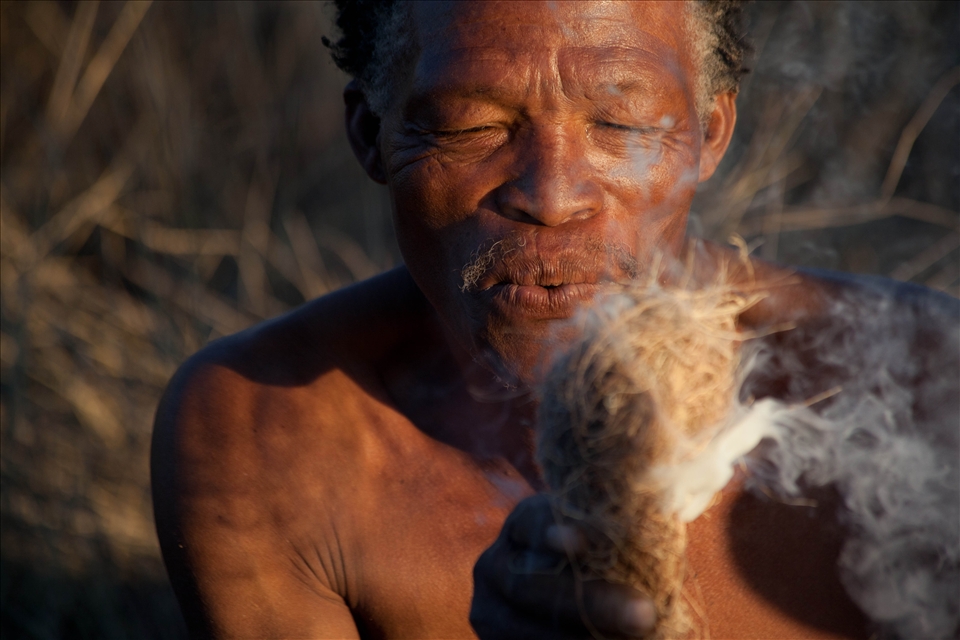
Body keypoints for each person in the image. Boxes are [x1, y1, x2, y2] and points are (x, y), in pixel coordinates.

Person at [151, 1, 958, 638]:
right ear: (373, 134)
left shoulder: (925, 385)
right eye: (471, 126)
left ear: (707, 134)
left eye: (621, 123)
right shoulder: (271, 433)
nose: (552, 193)